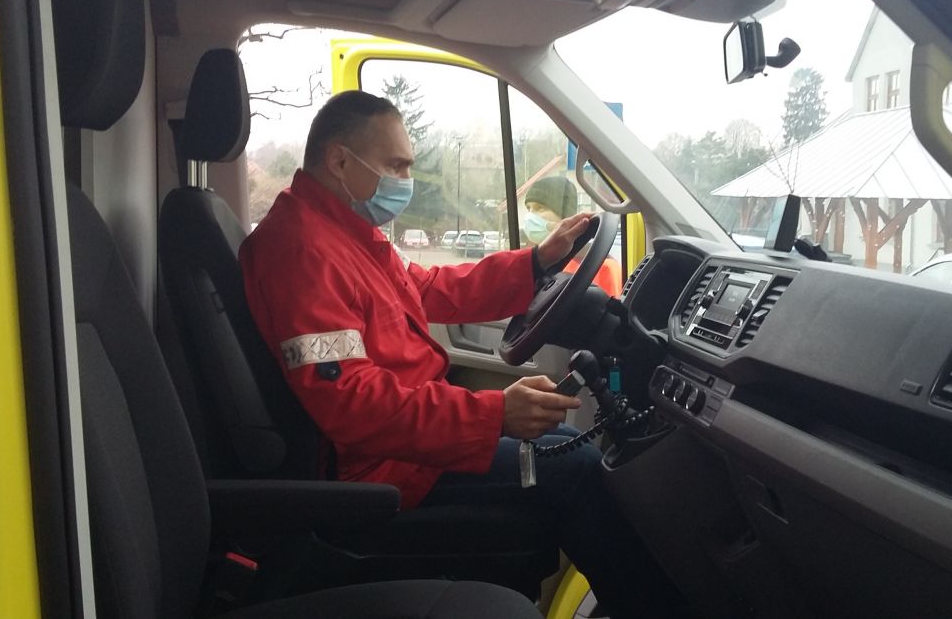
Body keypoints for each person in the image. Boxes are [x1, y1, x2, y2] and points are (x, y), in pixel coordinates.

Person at [240, 91, 680, 618]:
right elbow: (350, 402)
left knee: (567, 447)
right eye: (396, 166)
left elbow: (426, 289)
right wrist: (493, 414)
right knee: (582, 468)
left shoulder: (344, 234)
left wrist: (536, 263)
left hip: (407, 446)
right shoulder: (302, 251)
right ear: (339, 160)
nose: (406, 179)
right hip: (382, 471)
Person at [523, 176, 623, 297]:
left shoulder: (602, 266)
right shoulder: (529, 262)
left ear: (565, 216)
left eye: (539, 208)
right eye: (528, 208)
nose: (530, 216)